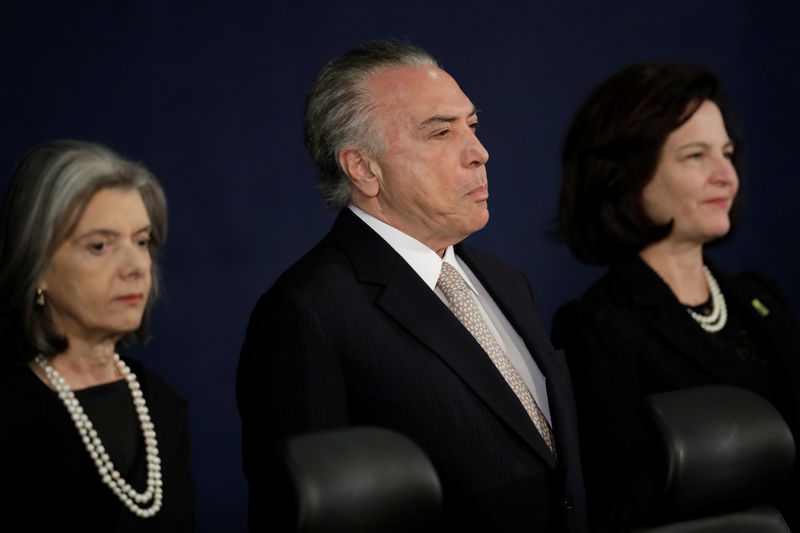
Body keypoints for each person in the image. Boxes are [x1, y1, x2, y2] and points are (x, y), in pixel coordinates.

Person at [237, 41, 587, 532]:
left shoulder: (507, 283)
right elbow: (305, 515)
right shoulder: (306, 311)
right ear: (363, 168)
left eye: (473, 126)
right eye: (441, 132)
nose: (479, 152)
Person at [552, 63, 800, 530]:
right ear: (628, 176)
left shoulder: (761, 300)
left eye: (727, 153)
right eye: (695, 156)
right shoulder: (597, 327)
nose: (726, 175)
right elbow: (621, 503)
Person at [0, 140, 195, 531]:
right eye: (100, 246)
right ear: (36, 265)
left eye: (141, 241)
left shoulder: (162, 405)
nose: (136, 266)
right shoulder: (10, 417)